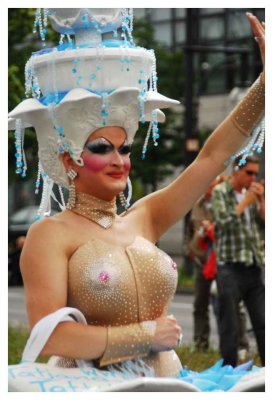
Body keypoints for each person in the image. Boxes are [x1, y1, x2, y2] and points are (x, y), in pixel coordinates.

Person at [8, 9, 265, 392]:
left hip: (170, 382)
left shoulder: (146, 215)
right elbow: (50, 337)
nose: (119, 160)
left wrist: (266, 84)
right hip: (90, 387)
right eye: (102, 148)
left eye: (124, 148)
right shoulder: (50, 234)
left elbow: (212, 158)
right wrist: (144, 334)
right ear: (68, 159)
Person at [211, 155, 265, 367]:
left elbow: (263, 226)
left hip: (252, 265)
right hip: (230, 267)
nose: (253, 178)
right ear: (236, 171)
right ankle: (230, 370)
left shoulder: (251, 196)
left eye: (255, 173)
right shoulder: (220, 192)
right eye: (249, 173)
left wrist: (261, 202)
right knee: (230, 325)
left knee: (262, 322)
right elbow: (223, 224)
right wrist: (245, 202)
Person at [185, 177, 223, 351]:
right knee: (200, 305)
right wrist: (189, 250)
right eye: (207, 185)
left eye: (212, 185)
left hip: (220, 262)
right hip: (201, 262)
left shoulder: (223, 203)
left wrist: (212, 228)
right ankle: (200, 344)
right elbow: (189, 231)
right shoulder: (196, 205)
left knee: (226, 306)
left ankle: (233, 345)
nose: (209, 189)